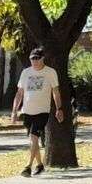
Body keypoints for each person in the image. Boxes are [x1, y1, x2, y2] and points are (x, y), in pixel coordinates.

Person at [12, 47, 68, 177]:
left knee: (33, 138)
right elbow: (19, 93)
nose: (35, 61)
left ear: (43, 59)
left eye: (37, 58)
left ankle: (28, 166)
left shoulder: (50, 72)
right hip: (27, 111)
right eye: (32, 58)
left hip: (42, 111)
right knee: (34, 140)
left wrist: (59, 109)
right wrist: (14, 110)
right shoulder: (25, 72)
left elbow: (56, 92)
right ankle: (40, 165)